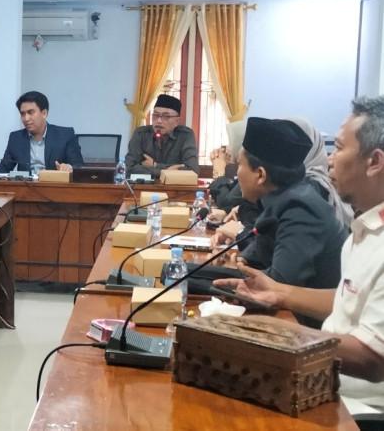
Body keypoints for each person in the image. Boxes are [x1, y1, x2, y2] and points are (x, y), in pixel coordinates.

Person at [215, 96, 384, 414]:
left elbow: (372, 360)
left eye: (340, 148)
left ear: (374, 162)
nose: (330, 159)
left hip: (357, 407)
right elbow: (345, 301)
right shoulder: (364, 230)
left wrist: (281, 333)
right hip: (322, 378)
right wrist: (279, 294)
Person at [216, 117, 347, 328]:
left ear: (260, 175)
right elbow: (259, 251)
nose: (237, 172)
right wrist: (243, 259)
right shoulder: (281, 197)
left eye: (240, 164)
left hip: (314, 330)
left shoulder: (300, 208)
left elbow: (277, 283)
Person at [0, 91, 83, 176]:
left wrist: (69, 167)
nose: (26, 118)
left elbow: (79, 167)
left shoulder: (65, 135)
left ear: (44, 113)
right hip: (26, 190)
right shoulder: (16, 138)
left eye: (31, 112)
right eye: (22, 114)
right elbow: (4, 168)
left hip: (56, 190)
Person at [125, 94, 200, 177]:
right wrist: (163, 172)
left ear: (177, 121)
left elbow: (193, 170)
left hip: (174, 185)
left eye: (166, 116)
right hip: (145, 185)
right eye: (155, 115)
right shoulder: (141, 133)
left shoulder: (185, 135)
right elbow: (128, 168)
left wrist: (155, 165)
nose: (159, 121)